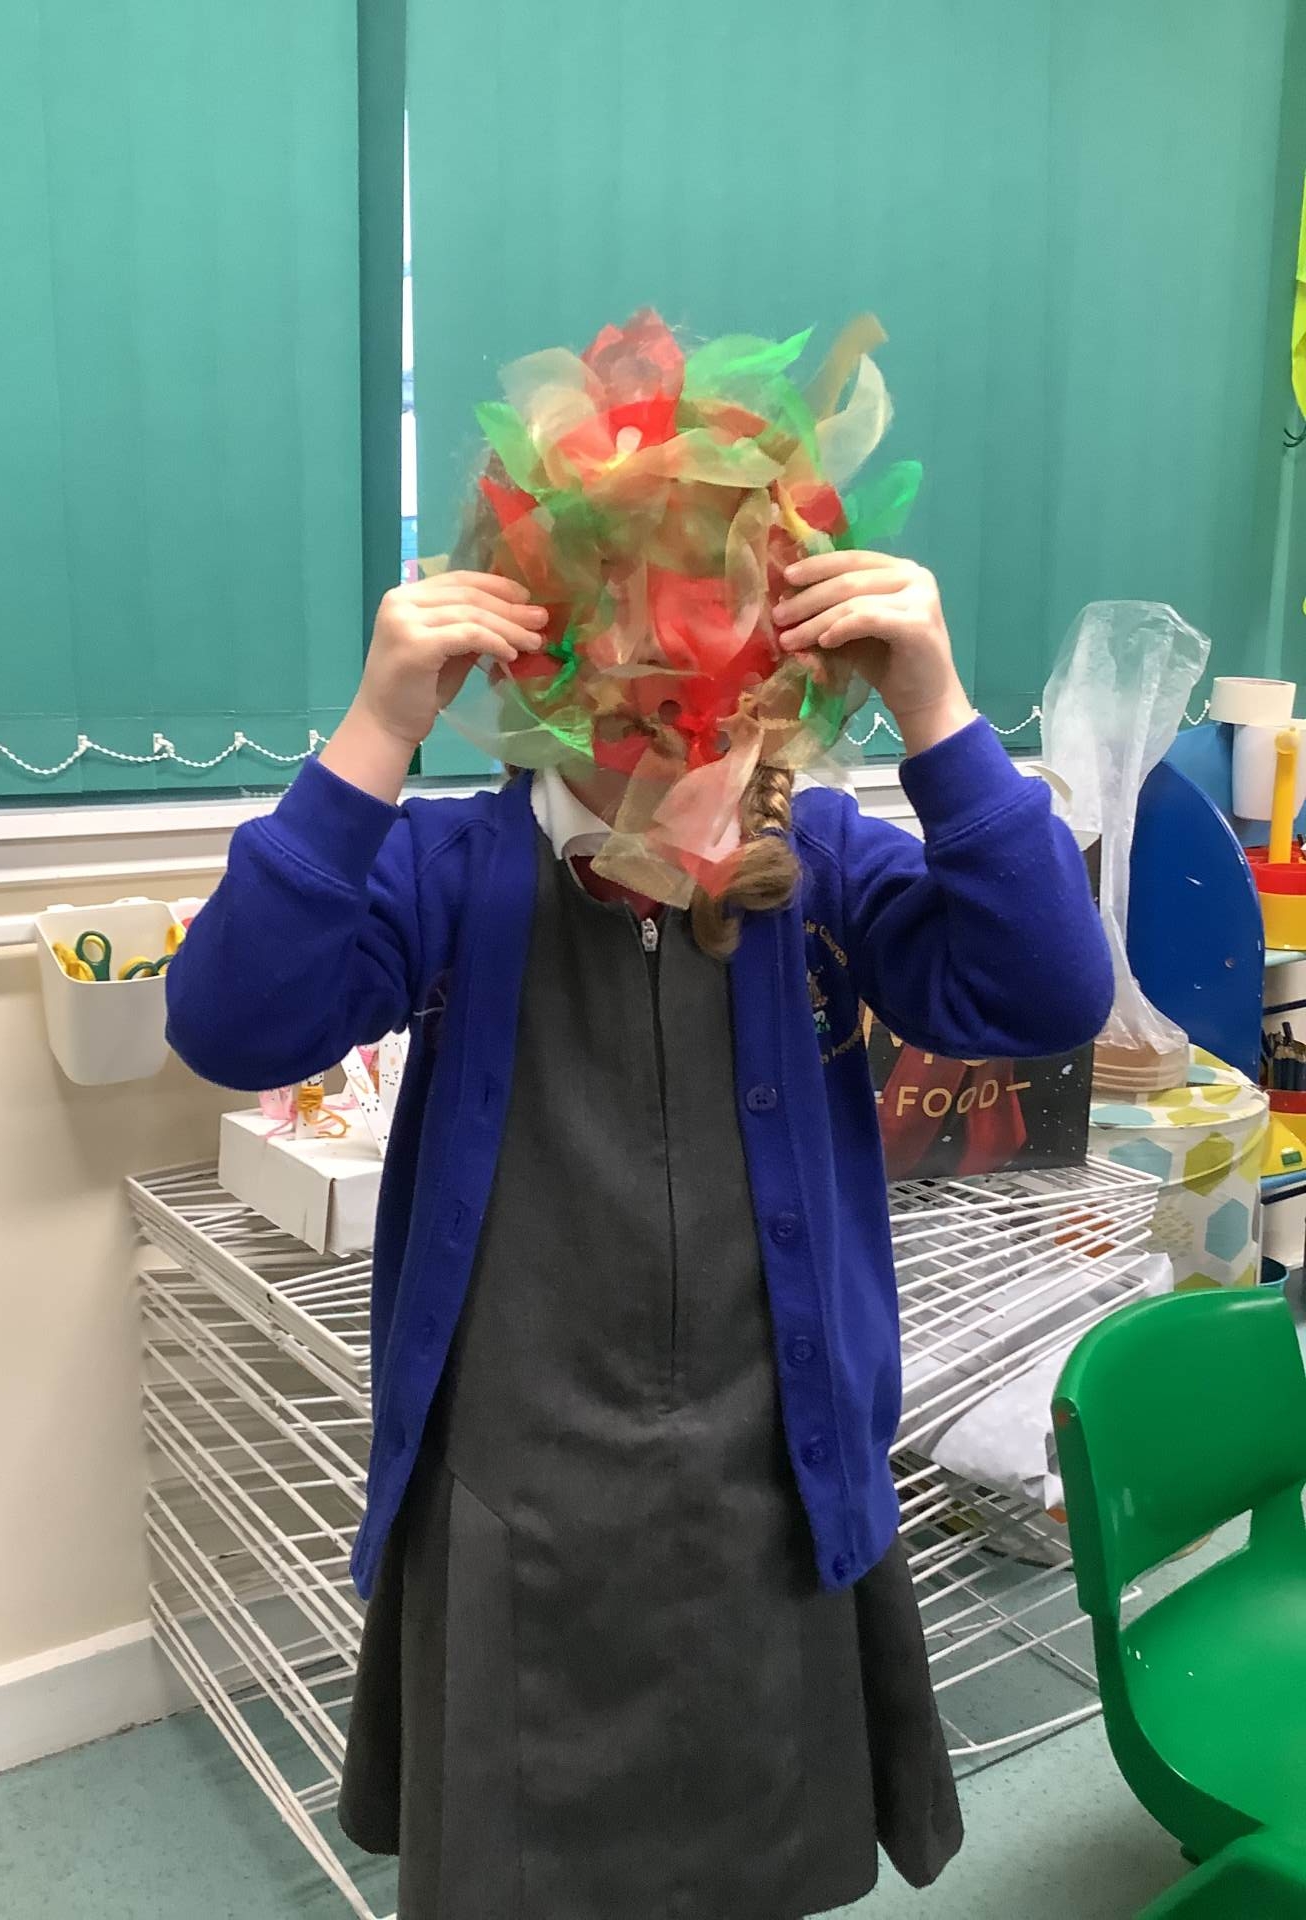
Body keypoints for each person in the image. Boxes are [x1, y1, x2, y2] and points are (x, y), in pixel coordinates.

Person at [166, 316, 1113, 1920]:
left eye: (719, 685)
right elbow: (230, 1023)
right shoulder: (459, 876)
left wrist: (942, 713)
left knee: (756, 1857)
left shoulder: (821, 866)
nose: (679, 735)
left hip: (770, 1491)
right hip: (521, 1509)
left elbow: (1042, 993)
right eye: (635, 684)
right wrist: (376, 733)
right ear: (539, 669)